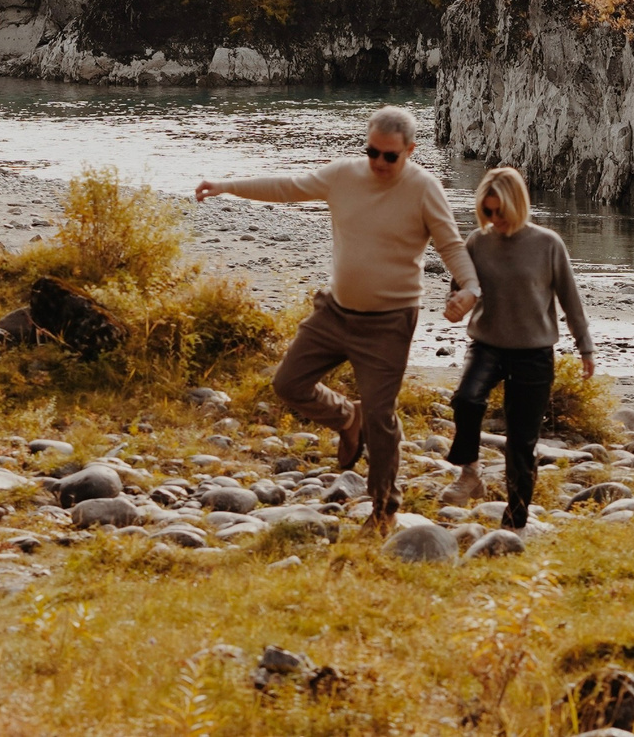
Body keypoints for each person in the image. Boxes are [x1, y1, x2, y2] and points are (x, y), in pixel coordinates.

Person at [195, 105, 478, 531]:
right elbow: (288, 186)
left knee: (381, 418)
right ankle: (347, 417)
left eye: (390, 156)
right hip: (335, 312)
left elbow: (451, 246)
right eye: (372, 152)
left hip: (390, 322)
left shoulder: (424, 189)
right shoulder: (344, 175)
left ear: (410, 151)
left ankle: (383, 510)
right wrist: (226, 186)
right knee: (288, 383)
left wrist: (470, 288)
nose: (379, 162)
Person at [441, 165, 593, 530]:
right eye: (487, 212)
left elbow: (571, 301)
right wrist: (454, 306)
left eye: (501, 212)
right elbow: (458, 293)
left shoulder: (548, 244)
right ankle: (470, 472)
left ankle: (515, 523)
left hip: (534, 353)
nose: (495, 219)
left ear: (518, 204)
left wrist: (585, 348)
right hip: (487, 345)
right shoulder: (477, 242)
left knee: (521, 444)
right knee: (466, 399)